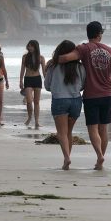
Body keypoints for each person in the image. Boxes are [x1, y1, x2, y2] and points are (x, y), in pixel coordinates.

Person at [58, 21, 111, 170]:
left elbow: (65, 59)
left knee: (93, 128)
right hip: (107, 94)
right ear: (99, 34)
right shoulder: (110, 51)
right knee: (103, 129)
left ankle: (99, 155)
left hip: (91, 94)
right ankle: (100, 159)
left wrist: (55, 60)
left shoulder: (84, 49)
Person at [44, 40, 85, 170]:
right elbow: (83, 85)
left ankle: (67, 158)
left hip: (59, 100)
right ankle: (67, 157)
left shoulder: (53, 67)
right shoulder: (80, 67)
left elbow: (47, 86)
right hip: (76, 100)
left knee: (61, 133)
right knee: (69, 132)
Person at [19, 40, 46, 128]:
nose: (30, 48)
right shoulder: (25, 57)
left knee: (37, 102)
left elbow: (44, 72)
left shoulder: (41, 58)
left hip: (37, 79)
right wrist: (20, 81)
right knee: (29, 101)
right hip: (28, 79)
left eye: (32, 46)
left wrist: (48, 81)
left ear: (36, 47)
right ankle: (29, 117)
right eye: (29, 46)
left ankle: (37, 121)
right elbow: (22, 69)